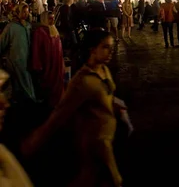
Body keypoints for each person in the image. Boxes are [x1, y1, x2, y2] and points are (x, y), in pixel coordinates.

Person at [23, 30, 124, 186]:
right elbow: (59, 114)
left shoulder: (104, 70)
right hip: (95, 145)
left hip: (107, 142)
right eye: (105, 47)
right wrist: (34, 140)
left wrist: (114, 106)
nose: (111, 51)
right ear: (93, 49)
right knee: (112, 180)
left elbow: (104, 95)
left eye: (112, 47)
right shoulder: (81, 82)